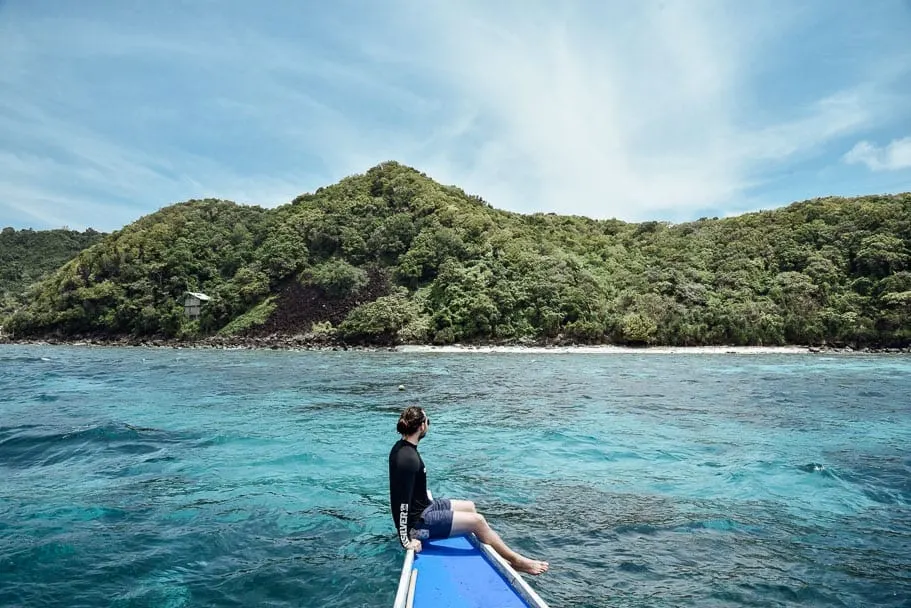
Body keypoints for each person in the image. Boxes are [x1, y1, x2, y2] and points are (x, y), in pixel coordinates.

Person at [387, 405, 549, 575]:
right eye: (428, 421)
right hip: (419, 523)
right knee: (477, 521)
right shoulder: (408, 459)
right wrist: (405, 539)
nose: (428, 424)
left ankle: (497, 553)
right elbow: (401, 503)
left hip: (425, 506)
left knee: (470, 506)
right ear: (422, 426)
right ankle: (517, 561)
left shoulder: (403, 447)